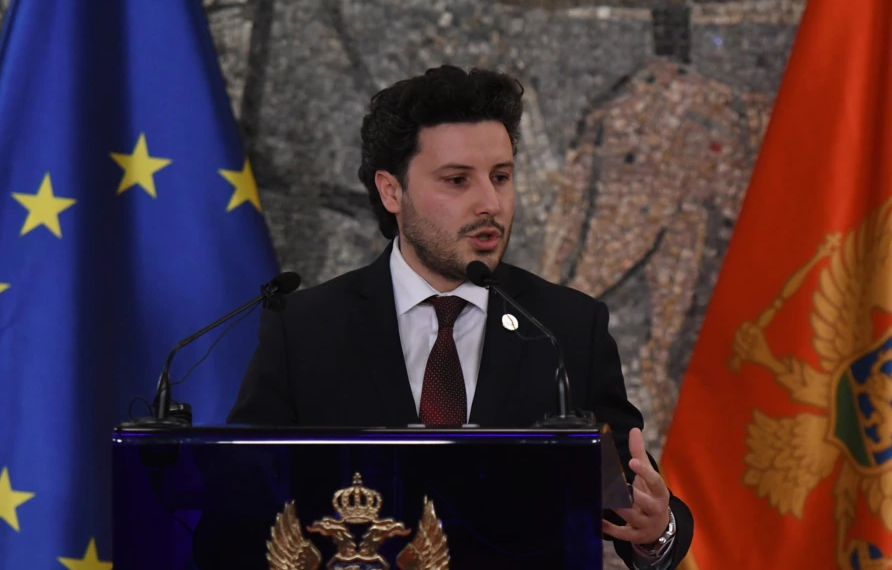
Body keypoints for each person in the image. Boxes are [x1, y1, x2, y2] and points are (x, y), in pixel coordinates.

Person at [227, 65, 693, 569]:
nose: (490, 203)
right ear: (391, 191)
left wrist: (656, 529)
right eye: (457, 180)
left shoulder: (567, 328)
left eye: (501, 177)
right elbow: (233, 507)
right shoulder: (305, 330)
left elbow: (635, 502)